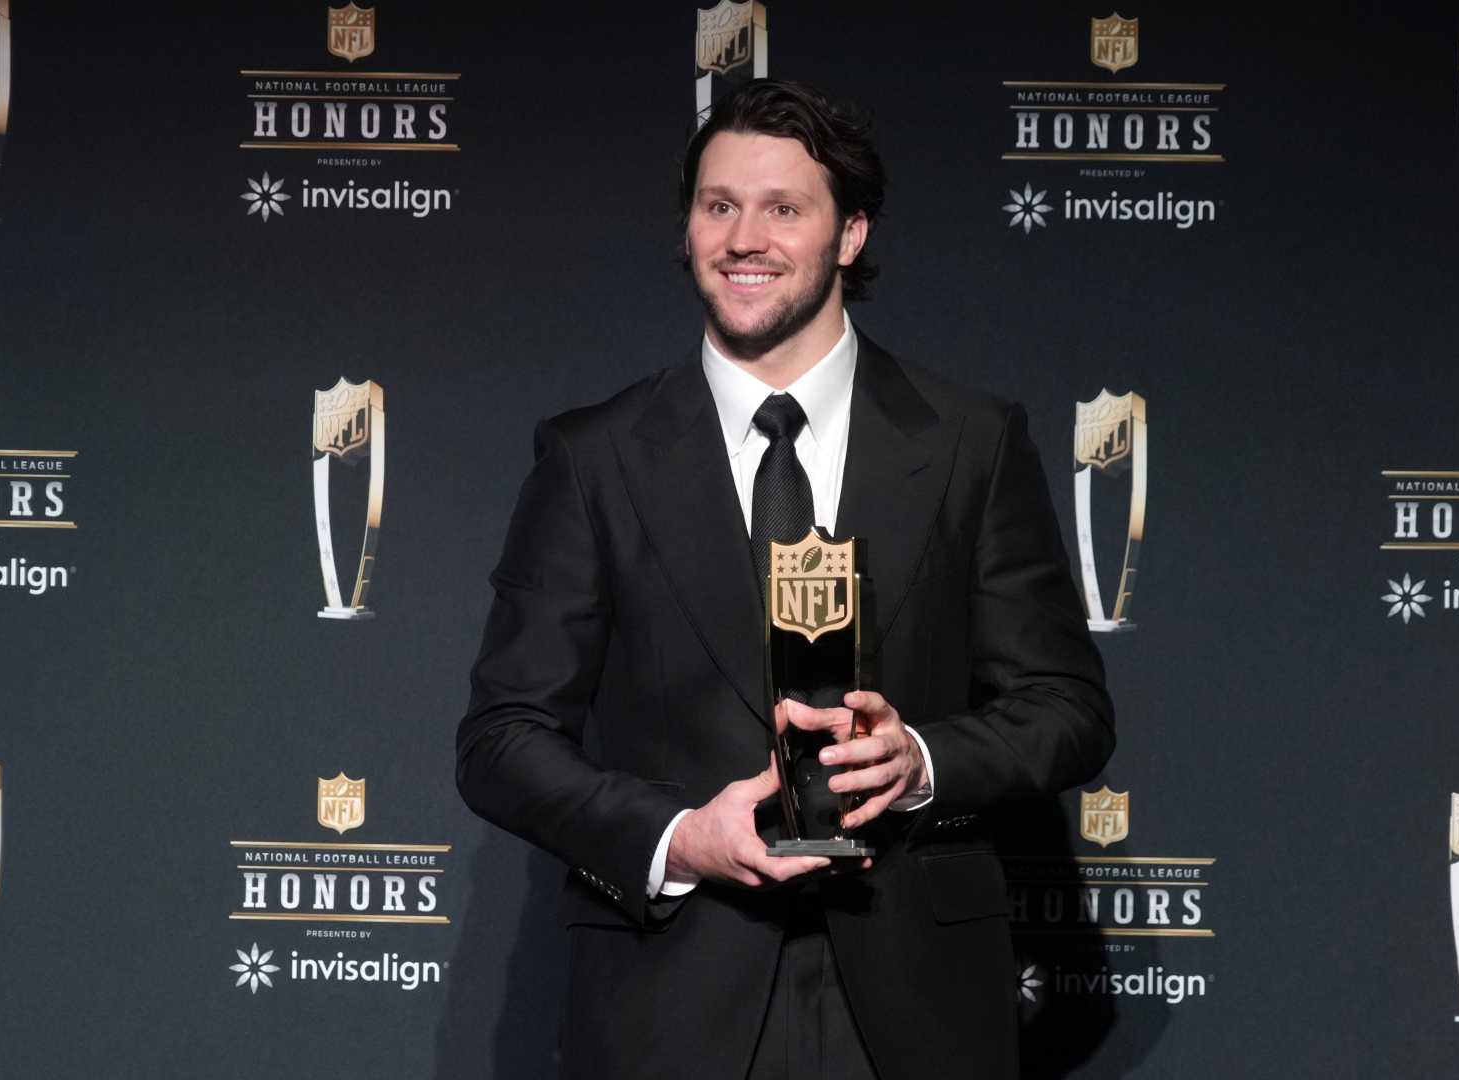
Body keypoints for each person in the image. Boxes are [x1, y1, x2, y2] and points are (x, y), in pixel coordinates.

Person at [456, 79, 1114, 1080]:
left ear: (849, 234)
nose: (742, 238)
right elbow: (501, 740)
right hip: (669, 996)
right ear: (685, 230)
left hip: (918, 1001)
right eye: (717, 206)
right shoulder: (593, 457)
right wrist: (678, 838)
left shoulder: (970, 443)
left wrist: (919, 763)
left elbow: (1064, 708)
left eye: (782, 208)